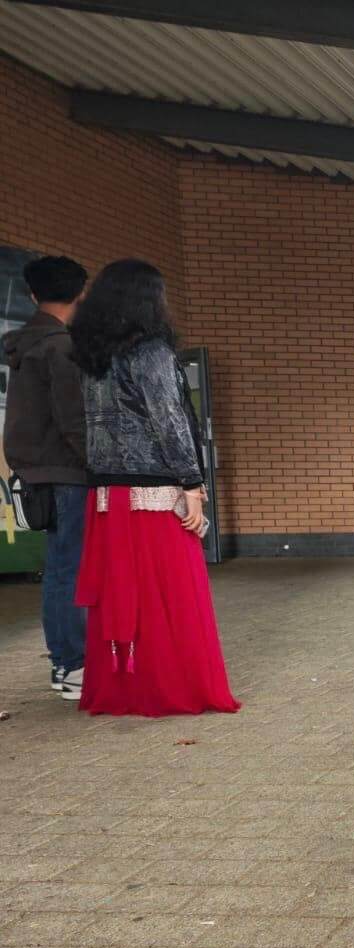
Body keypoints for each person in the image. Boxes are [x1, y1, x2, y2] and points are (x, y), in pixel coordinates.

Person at [69, 259, 237, 716]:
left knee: (122, 594)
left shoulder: (91, 353)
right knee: (173, 594)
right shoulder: (151, 351)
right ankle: (172, 688)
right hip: (153, 488)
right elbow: (169, 421)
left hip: (105, 494)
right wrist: (193, 483)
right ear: (147, 299)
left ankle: (124, 690)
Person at [2, 255, 88, 699]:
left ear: (33, 295)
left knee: (59, 568)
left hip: (37, 473)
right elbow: (74, 421)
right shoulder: (61, 347)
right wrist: (100, 464)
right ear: (81, 294)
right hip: (68, 473)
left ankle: (65, 663)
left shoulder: (24, 347)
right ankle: (73, 664)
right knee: (70, 568)